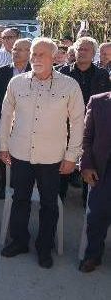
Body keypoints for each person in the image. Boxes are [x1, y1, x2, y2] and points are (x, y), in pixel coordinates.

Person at [0, 38, 85, 269]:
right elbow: (6, 115)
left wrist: (71, 156)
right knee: (20, 199)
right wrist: (3, 145)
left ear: (54, 58)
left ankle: (44, 248)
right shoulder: (17, 82)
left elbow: (78, 122)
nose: (36, 59)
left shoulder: (69, 86)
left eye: (41, 55)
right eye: (34, 54)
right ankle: (19, 241)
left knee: (49, 204)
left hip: (52, 157)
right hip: (20, 153)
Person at [57, 37, 111, 201]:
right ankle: (60, 195)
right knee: (64, 161)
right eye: (79, 49)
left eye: (85, 49)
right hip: (65, 125)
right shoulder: (62, 73)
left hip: (93, 127)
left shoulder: (102, 75)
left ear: (93, 53)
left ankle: (87, 198)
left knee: (91, 161)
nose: (81, 52)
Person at [0, 38, 31, 199]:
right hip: (7, 119)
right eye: (14, 49)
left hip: (29, 121)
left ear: (30, 53)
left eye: (20, 49)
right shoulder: (2, 71)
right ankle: (4, 185)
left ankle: (23, 186)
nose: (16, 52)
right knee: (5, 152)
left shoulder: (36, 72)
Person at [78, 90, 111, 272]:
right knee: (97, 213)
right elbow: (86, 138)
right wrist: (87, 165)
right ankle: (93, 255)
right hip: (103, 170)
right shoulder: (98, 102)